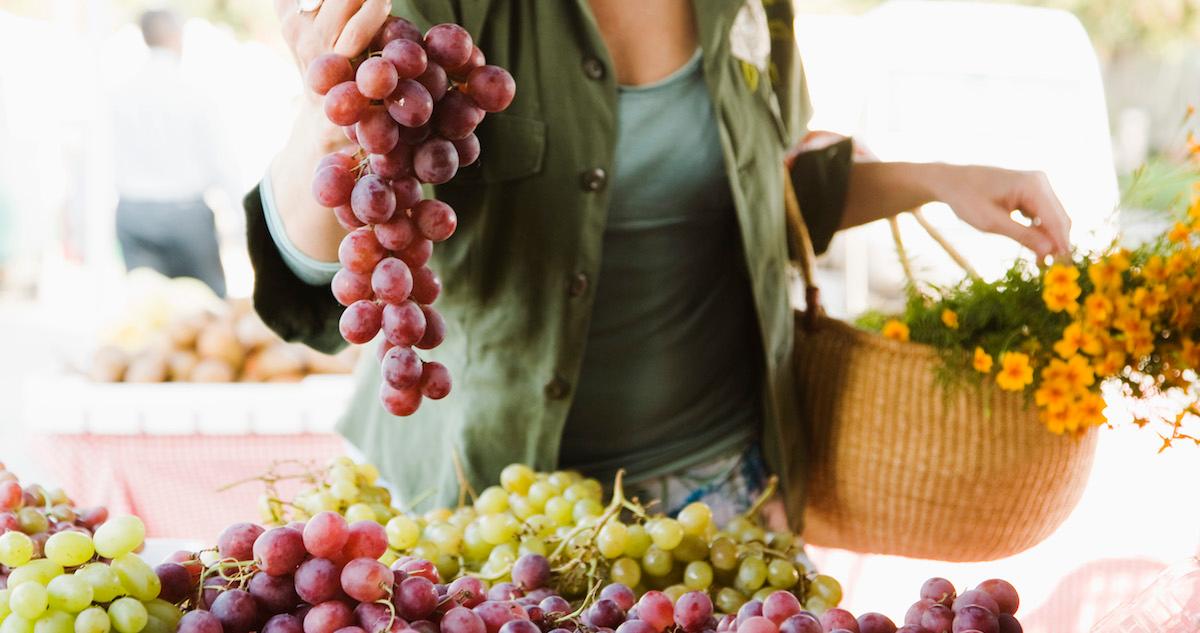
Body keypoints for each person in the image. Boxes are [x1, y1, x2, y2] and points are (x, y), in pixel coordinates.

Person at [247, 0, 1071, 525]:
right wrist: (328, 126)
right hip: (489, 514)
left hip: (724, 495)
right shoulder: (441, 10)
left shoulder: (750, 8)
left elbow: (763, 191)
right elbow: (317, 269)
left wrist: (940, 181)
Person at [110, 10, 230, 297]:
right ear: (176, 37)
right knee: (208, 313)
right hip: (185, 213)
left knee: (148, 312)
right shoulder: (193, 91)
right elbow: (221, 160)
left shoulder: (121, 91)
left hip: (133, 210)